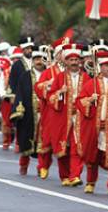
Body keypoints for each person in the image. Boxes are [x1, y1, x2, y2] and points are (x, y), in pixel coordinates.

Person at [76, 50, 108, 195]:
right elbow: (79, 101)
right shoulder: (91, 84)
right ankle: (90, 182)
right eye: (107, 65)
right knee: (93, 154)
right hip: (94, 126)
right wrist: (90, 100)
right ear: (100, 67)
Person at [44, 43, 88, 186]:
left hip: (81, 118)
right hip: (63, 118)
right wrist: (59, 93)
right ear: (66, 62)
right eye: (71, 60)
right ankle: (64, 176)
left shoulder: (87, 78)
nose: (74, 63)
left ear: (80, 62)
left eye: (76, 60)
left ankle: (75, 175)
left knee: (78, 146)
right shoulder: (59, 78)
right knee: (62, 148)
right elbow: (49, 97)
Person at [34, 37, 71, 179]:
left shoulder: (73, 72)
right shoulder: (49, 72)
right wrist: (48, 84)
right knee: (47, 139)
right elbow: (38, 88)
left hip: (67, 112)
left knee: (66, 144)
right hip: (50, 111)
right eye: (63, 52)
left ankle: (67, 173)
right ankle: (43, 165)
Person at [9, 37, 38, 175]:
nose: (29, 51)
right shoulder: (17, 66)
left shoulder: (43, 67)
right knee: (26, 135)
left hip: (41, 108)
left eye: (31, 48)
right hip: (24, 101)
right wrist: (16, 102)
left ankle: (42, 167)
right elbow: (13, 84)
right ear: (22, 49)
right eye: (26, 48)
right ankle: (23, 165)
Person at [0, 43, 16, 150]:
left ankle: (18, 143)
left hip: (19, 98)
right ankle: (6, 141)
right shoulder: (6, 70)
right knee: (6, 121)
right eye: (14, 58)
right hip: (7, 98)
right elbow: (0, 83)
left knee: (19, 120)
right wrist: (3, 94)